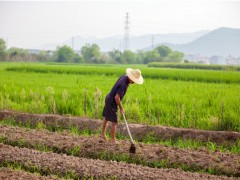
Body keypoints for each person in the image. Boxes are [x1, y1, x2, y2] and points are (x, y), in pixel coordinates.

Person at [100, 68, 144, 144]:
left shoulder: (124, 77)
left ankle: (102, 135)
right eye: (134, 80)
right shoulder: (124, 84)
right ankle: (113, 140)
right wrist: (121, 108)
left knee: (107, 118)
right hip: (112, 102)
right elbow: (117, 97)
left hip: (108, 98)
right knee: (114, 121)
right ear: (131, 78)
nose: (134, 82)